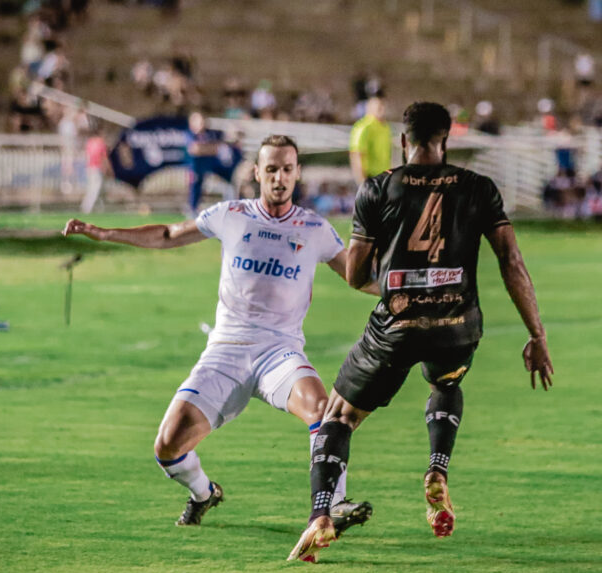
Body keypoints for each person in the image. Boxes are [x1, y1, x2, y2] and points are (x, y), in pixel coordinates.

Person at [63, 134, 376, 534]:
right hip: (226, 350)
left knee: (322, 410)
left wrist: (413, 290)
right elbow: (168, 234)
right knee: (167, 446)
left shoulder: (315, 229)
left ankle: (334, 503)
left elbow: (358, 276)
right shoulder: (231, 214)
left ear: (297, 174)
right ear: (256, 173)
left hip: (279, 352)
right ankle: (203, 493)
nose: (279, 178)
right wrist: (105, 233)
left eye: (287, 169)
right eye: (271, 169)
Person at [289, 102, 554, 562]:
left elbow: (354, 274)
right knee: (446, 380)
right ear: (446, 140)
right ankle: (436, 469)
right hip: (458, 326)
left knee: (339, 416)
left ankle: (321, 516)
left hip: (397, 326)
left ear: (404, 141)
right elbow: (511, 262)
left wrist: (392, 267)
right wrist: (537, 335)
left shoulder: (378, 188)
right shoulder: (477, 188)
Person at [183, 110, 242, 217]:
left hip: (213, 168)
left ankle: (231, 209)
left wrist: (206, 148)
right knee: (196, 187)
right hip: (197, 169)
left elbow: (225, 143)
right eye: (198, 120)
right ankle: (193, 210)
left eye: (202, 120)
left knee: (229, 185)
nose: (201, 123)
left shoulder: (211, 133)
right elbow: (195, 149)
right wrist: (213, 148)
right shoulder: (189, 134)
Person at [348, 95, 391, 184]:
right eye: (379, 107)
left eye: (383, 106)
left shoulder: (385, 127)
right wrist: (362, 182)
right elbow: (357, 154)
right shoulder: (363, 127)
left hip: (384, 176)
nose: (382, 110)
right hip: (370, 177)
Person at [80, 125, 110, 214]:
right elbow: (104, 157)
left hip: (90, 167)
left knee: (99, 189)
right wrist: (107, 168)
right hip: (98, 168)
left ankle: (100, 208)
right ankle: (87, 208)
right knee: (95, 189)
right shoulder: (101, 143)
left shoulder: (90, 142)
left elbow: (87, 156)